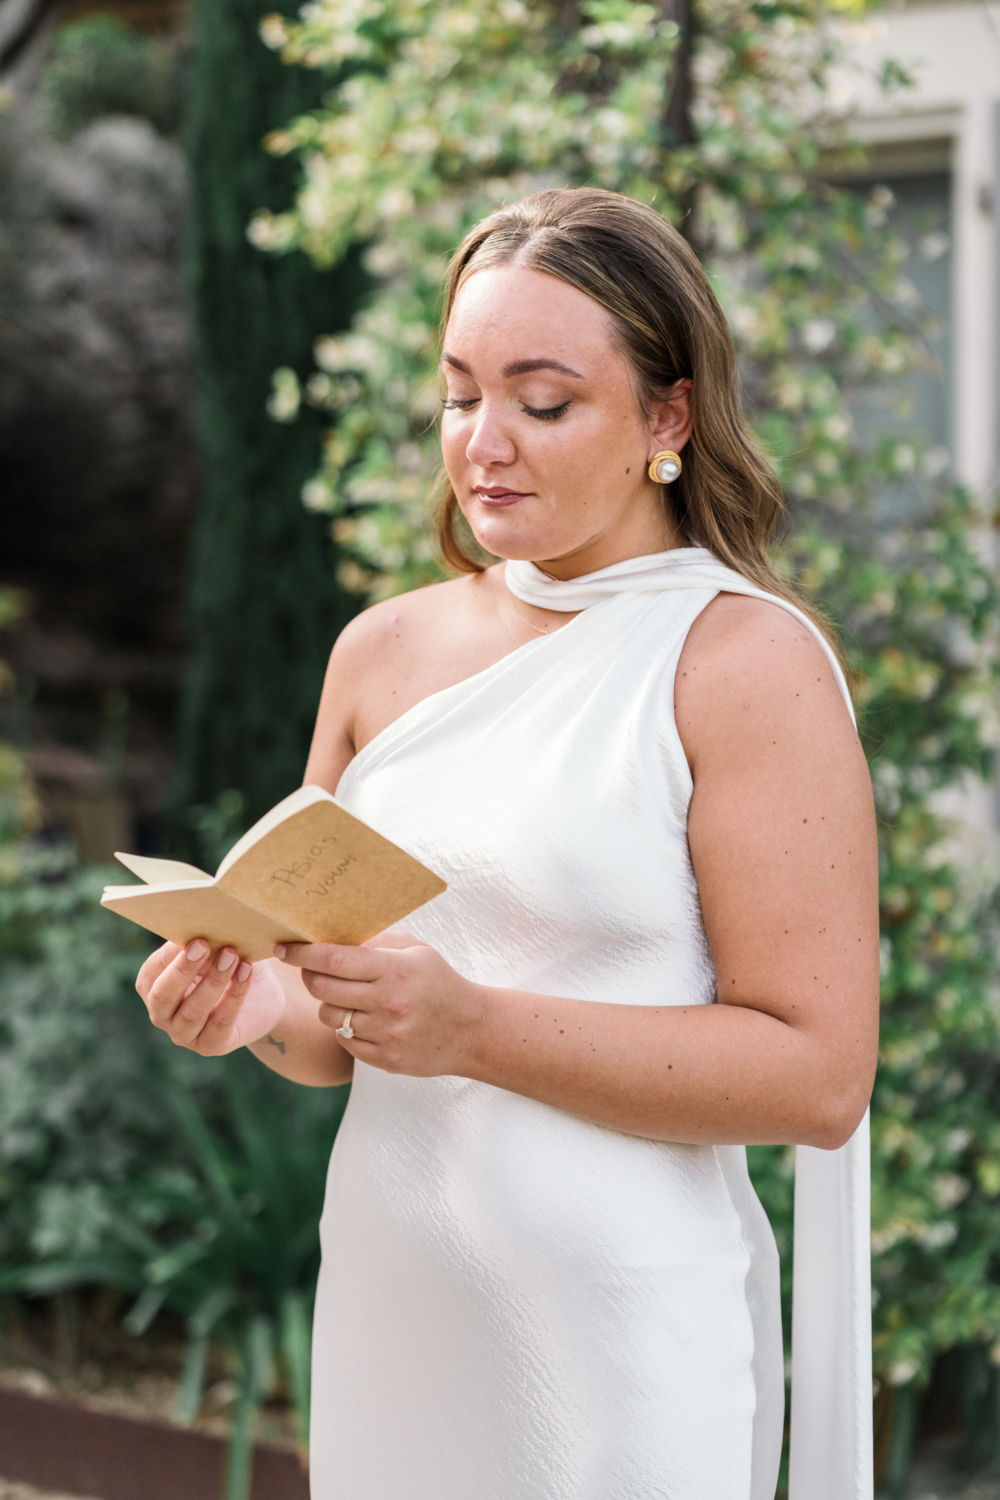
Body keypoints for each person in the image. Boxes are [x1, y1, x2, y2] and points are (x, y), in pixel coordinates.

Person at [136, 188, 879, 1500]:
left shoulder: (740, 663)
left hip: (618, 1342)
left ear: (668, 416)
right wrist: (252, 998)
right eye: (458, 394)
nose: (484, 444)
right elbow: (328, 1030)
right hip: (394, 1314)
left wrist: (477, 1028)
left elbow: (815, 1075)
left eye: (542, 403)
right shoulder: (384, 653)